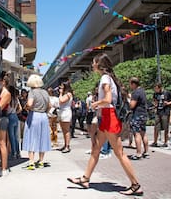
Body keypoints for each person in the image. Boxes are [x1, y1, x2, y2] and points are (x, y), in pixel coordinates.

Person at [67, 53, 143, 196]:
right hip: (107, 117)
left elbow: (107, 99)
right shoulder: (108, 78)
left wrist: (95, 103)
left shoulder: (104, 78)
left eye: (94, 63)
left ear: (99, 65)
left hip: (109, 118)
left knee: (119, 153)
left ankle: (135, 185)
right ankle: (85, 179)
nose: (92, 65)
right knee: (96, 148)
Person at [22, 74, 51, 170]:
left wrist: (26, 107)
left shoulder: (32, 92)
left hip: (34, 115)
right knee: (42, 137)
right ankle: (41, 161)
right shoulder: (45, 92)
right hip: (44, 116)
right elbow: (50, 106)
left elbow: (30, 104)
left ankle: (31, 162)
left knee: (32, 137)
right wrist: (45, 111)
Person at [128, 77, 149, 160]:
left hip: (137, 114)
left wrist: (130, 99)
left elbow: (132, 105)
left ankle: (138, 153)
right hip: (143, 114)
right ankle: (146, 152)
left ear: (133, 84)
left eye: (130, 84)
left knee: (137, 134)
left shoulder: (135, 92)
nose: (130, 86)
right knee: (143, 133)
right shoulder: (142, 91)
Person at [0, 72, 12, 177]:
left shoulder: (6, 93)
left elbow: (0, 107)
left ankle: (4, 167)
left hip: (2, 118)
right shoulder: (0, 92)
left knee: (2, 142)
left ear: (4, 82)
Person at [151, 83, 171, 147]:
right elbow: (154, 100)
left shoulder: (167, 93)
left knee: (166, 127)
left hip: (165, 112)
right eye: (155, 88)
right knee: (156, 127)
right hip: (158, 112)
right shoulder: (155, 94)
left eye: (156, 88)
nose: (155, 90)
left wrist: (168, 103)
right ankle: (155, 142)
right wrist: (155, 104)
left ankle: (165, 142)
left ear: (160, 88)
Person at [57, 81, 73, 153]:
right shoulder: (64, 94)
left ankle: (67, 146)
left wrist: (60, 93)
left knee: (66, 130)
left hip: (66, 112)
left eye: (62, 86)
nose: (60, 87)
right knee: (63, 130)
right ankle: (65, 144)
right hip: (62, 112)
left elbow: (61, 100)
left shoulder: (68, 94)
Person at [8, 85, 22, 160]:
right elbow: (20, 109)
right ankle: (18, 152)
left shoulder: (8, 98)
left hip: (9, 116)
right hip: (15, 117)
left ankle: (14, 153)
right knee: (16, 137)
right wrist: (15, 112)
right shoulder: (16, 99)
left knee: (11, 137)